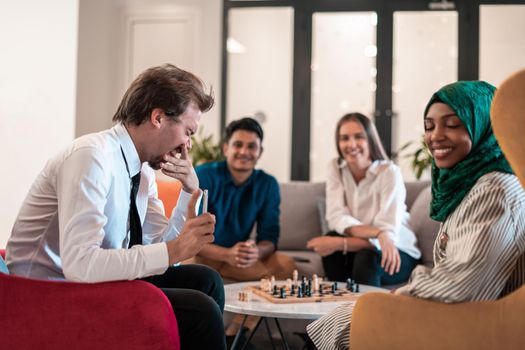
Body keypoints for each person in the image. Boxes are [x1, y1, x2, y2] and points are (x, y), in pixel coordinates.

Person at [6, 64, 227, 349]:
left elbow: (160, 250)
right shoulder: (92, 157)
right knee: (200, 311)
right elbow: (80, 265)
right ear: (158, 117)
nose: (187, 144)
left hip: (89, 282)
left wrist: (189, 191)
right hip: (46, 293)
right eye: (188, 132)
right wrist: (172, 251)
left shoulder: (142, 170)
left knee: (207, 280)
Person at [306, 81, 525, 350]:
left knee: (348, 309)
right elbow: (338, 219)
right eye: (429, 126)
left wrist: (396, 297)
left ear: (482, 125)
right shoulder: (469, 186)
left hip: (471, 324)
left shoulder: (493, 189)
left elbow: (458, 286)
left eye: (452, 124)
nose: (435, 136)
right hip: (457, 310)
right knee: (341, 304)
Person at [194, 117, 297, 342]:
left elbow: (270, 237)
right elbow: (190, 237)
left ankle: (238, 332)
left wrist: (256, 252)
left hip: (240, 257)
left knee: (286, 266)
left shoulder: (267, 184)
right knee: (200, 262)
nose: (244, 151)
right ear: (226, 148)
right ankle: (237, 335)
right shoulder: (204, 174)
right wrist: (227, 254)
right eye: (238, 144)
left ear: (260, 152)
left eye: (252, 146)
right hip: (206, 254)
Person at [306, 113, 420, 287]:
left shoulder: (390, 172)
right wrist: (377, 234)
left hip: (398, 251)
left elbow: (388, 231)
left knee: (363, 256)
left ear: (370, 140)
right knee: (333, 245)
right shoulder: (335, 168)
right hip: (369, 244)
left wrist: (340, 243)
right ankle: (338, 307)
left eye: (359, 137)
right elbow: (336, 217)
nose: (351, 144)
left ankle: (365, 313)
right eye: (344, 138)